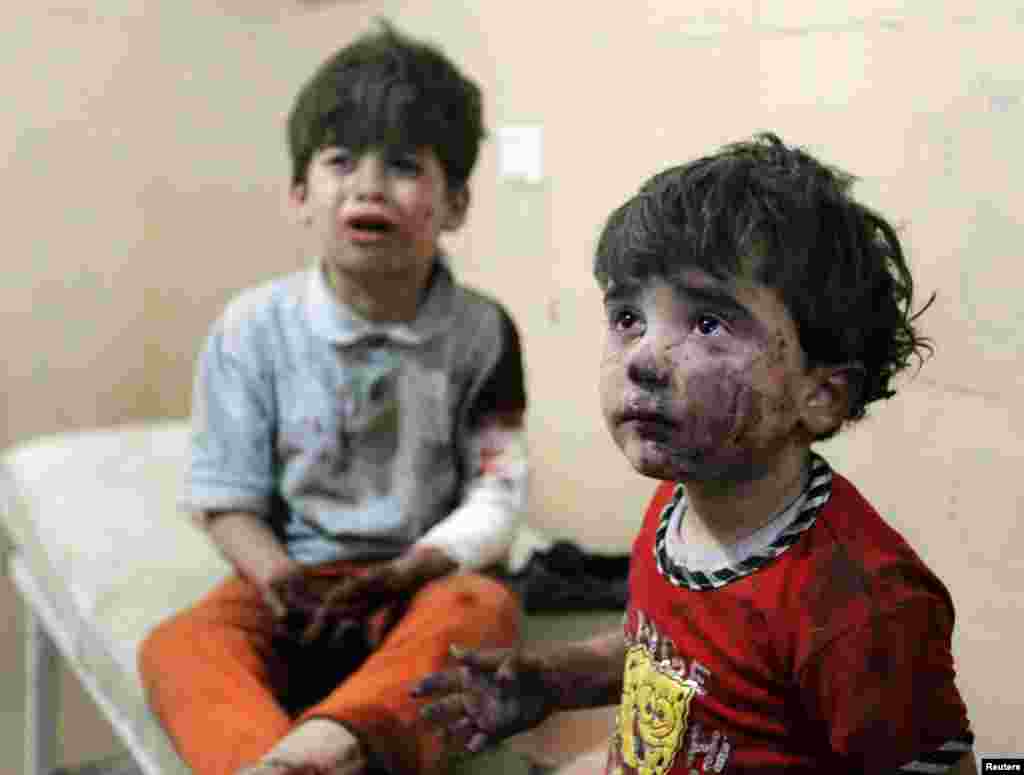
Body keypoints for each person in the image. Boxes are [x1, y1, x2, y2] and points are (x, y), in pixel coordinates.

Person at [413, 133, 978, 774]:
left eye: (708, 322)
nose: (645, 359)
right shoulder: (675, 511)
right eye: (628, 318)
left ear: (819, 395)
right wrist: (550, 682)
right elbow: (668, 656)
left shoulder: (863, 604)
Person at [138, 20, 528, 775]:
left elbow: (499, 491)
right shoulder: (251, 328)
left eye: (404, 165)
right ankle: (270, 765)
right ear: (299, 193)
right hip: (288, 584)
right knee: (179, 645)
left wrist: (415, 567)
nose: (368, 184)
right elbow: (226, 497)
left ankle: (336, 744)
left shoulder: (482, 332)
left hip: (419, 581)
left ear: (455, 204)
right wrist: (279, 578)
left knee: (486, 610)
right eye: (341, 160)